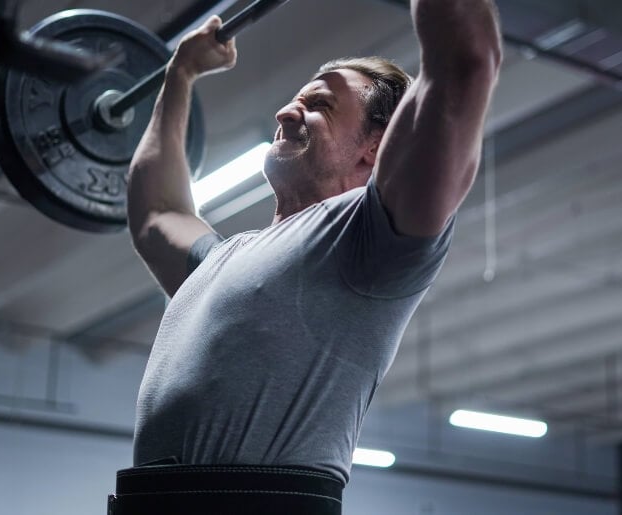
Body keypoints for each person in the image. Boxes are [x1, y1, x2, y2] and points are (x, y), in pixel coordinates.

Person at [113, 1, 502, 513]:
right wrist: (180, 74)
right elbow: (155, 212)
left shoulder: (373, 235)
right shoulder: (220, 260)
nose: (285, 112)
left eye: (319, 104)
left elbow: (464, 63)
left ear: (376, 149)